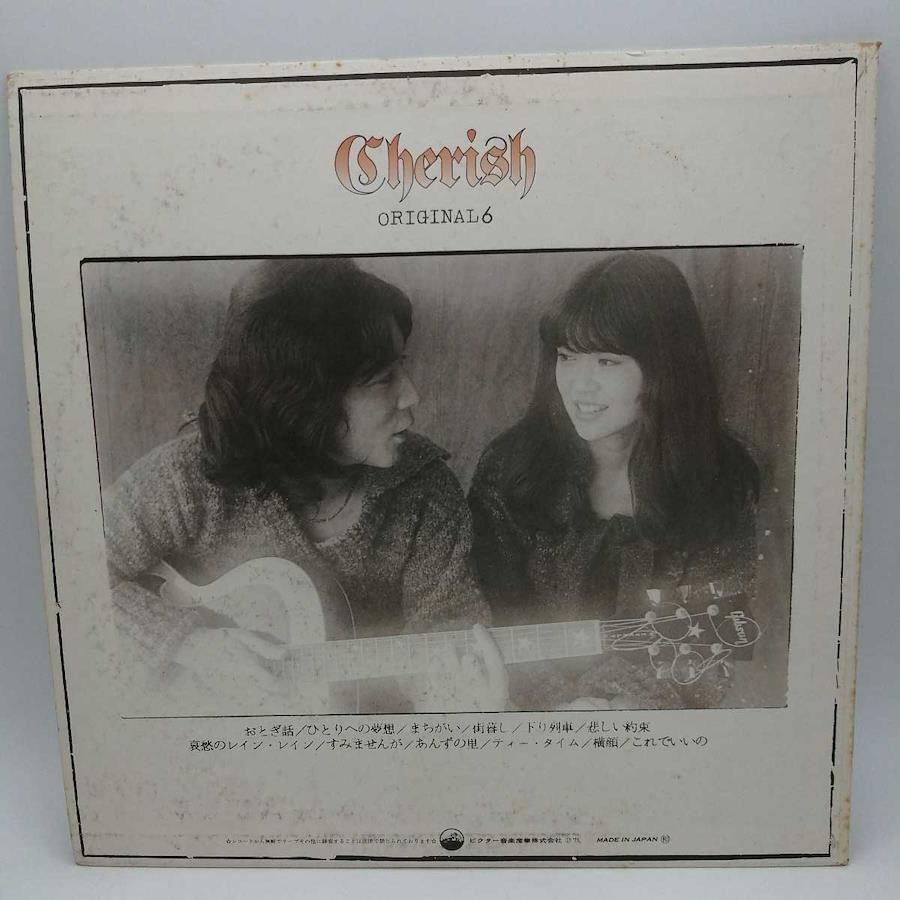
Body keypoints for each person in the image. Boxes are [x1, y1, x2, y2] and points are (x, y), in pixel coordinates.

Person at [104, 258, 506, 713]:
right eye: (383, 379)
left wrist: (458, 696)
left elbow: (449, 633)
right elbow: (73, 572)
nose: (412, 395)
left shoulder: (423, 489)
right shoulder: (189, 476)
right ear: (304, 399)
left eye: (403, 367)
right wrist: (191, 645)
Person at [468, 252, 760, 710]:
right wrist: (556, 708)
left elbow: (707, 645)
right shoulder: (510, 468)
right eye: (567, 357)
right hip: (521, 710)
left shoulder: (719, 481)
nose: (579, 387)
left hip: (644, 721)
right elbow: (487, 614)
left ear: (665, 367)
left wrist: (616, 708)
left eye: (607, 362)